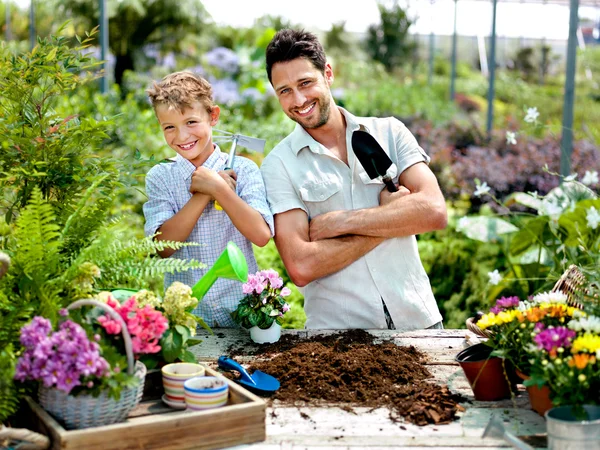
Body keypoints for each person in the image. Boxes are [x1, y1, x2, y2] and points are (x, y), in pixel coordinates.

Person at [260, 29, 447, 330]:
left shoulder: (389, 133)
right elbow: (302, 265)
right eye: (284, 91)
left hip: (418, 323)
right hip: (339, 338)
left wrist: (340, 223)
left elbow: (434, 212)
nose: (298, 99)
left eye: (305, 83)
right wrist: (393, 219)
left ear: (328, 73)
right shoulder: (278, 166)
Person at [143, 71, 274, 327]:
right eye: (169, 127)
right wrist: (204, 192)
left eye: (191, 122)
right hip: (188, 320)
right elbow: (163, 248)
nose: (181, 137)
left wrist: (221, 190)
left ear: (213, 116)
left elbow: (261, 235)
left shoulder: (244, 169)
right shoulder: (160, 177)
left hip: (244, 314)